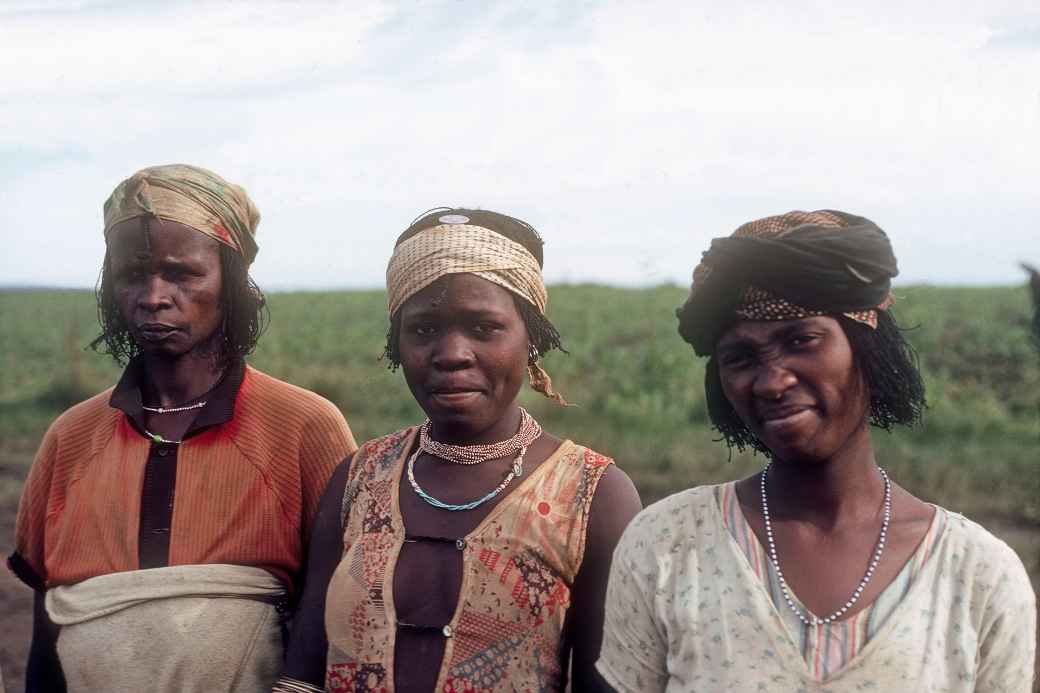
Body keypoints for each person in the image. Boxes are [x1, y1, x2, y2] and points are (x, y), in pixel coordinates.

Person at [596, 210, 1037, 691]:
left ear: (868, 347)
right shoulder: (668, 543)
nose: (772, 381)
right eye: (740, 359)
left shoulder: (978, 574)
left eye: (802, 340)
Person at [9, 164, 358, 692]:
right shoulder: (70, 438)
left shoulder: (303, 427)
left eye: (182, 273)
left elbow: (342, 613)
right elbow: (46, 635)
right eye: (132, 275)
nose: (153, 295)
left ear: (231, 279)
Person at [274, 208, 642, 692]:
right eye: (423, 330)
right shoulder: (359, 478)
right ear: (396, 343)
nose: (451, 353)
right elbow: (303, 674)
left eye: (484, 328)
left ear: (530, 338)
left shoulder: (593, 496)